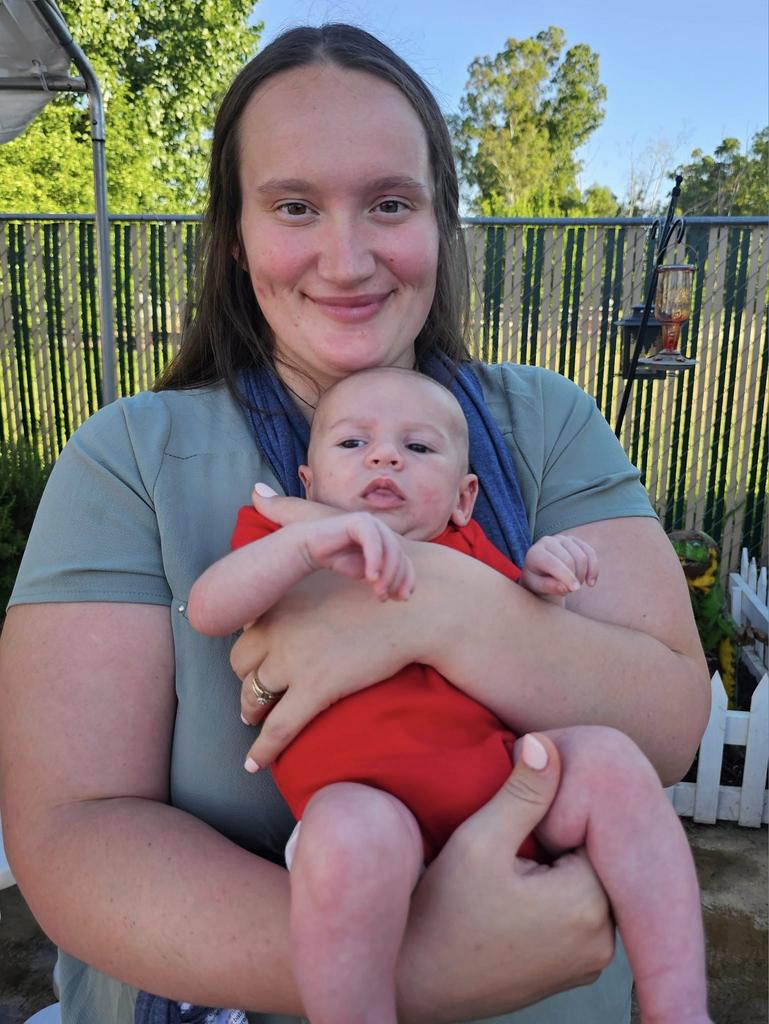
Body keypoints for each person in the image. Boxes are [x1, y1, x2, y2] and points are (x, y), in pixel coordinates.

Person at [0, 23, 710, 1024]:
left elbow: (667, 727)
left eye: (389, 203)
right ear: (236, 235)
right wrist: (421, 968)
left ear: (439, 223)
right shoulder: (130, 456)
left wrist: (442, 612)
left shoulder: (545, 422)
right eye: (294, 206)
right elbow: (72, 837)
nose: (346, 258)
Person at [181, 365, 711, 1024]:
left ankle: (678, 1008)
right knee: (346, 840)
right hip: (369, 812)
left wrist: (543, 581)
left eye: (418, 446)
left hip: (501, 792)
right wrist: (305, 545)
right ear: (307, 485)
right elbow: (208, 610)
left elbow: (527, 643)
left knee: (611, 763)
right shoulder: (285, 541)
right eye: (352, 443)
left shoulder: (463, 549)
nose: (384, 456)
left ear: (463, 499)